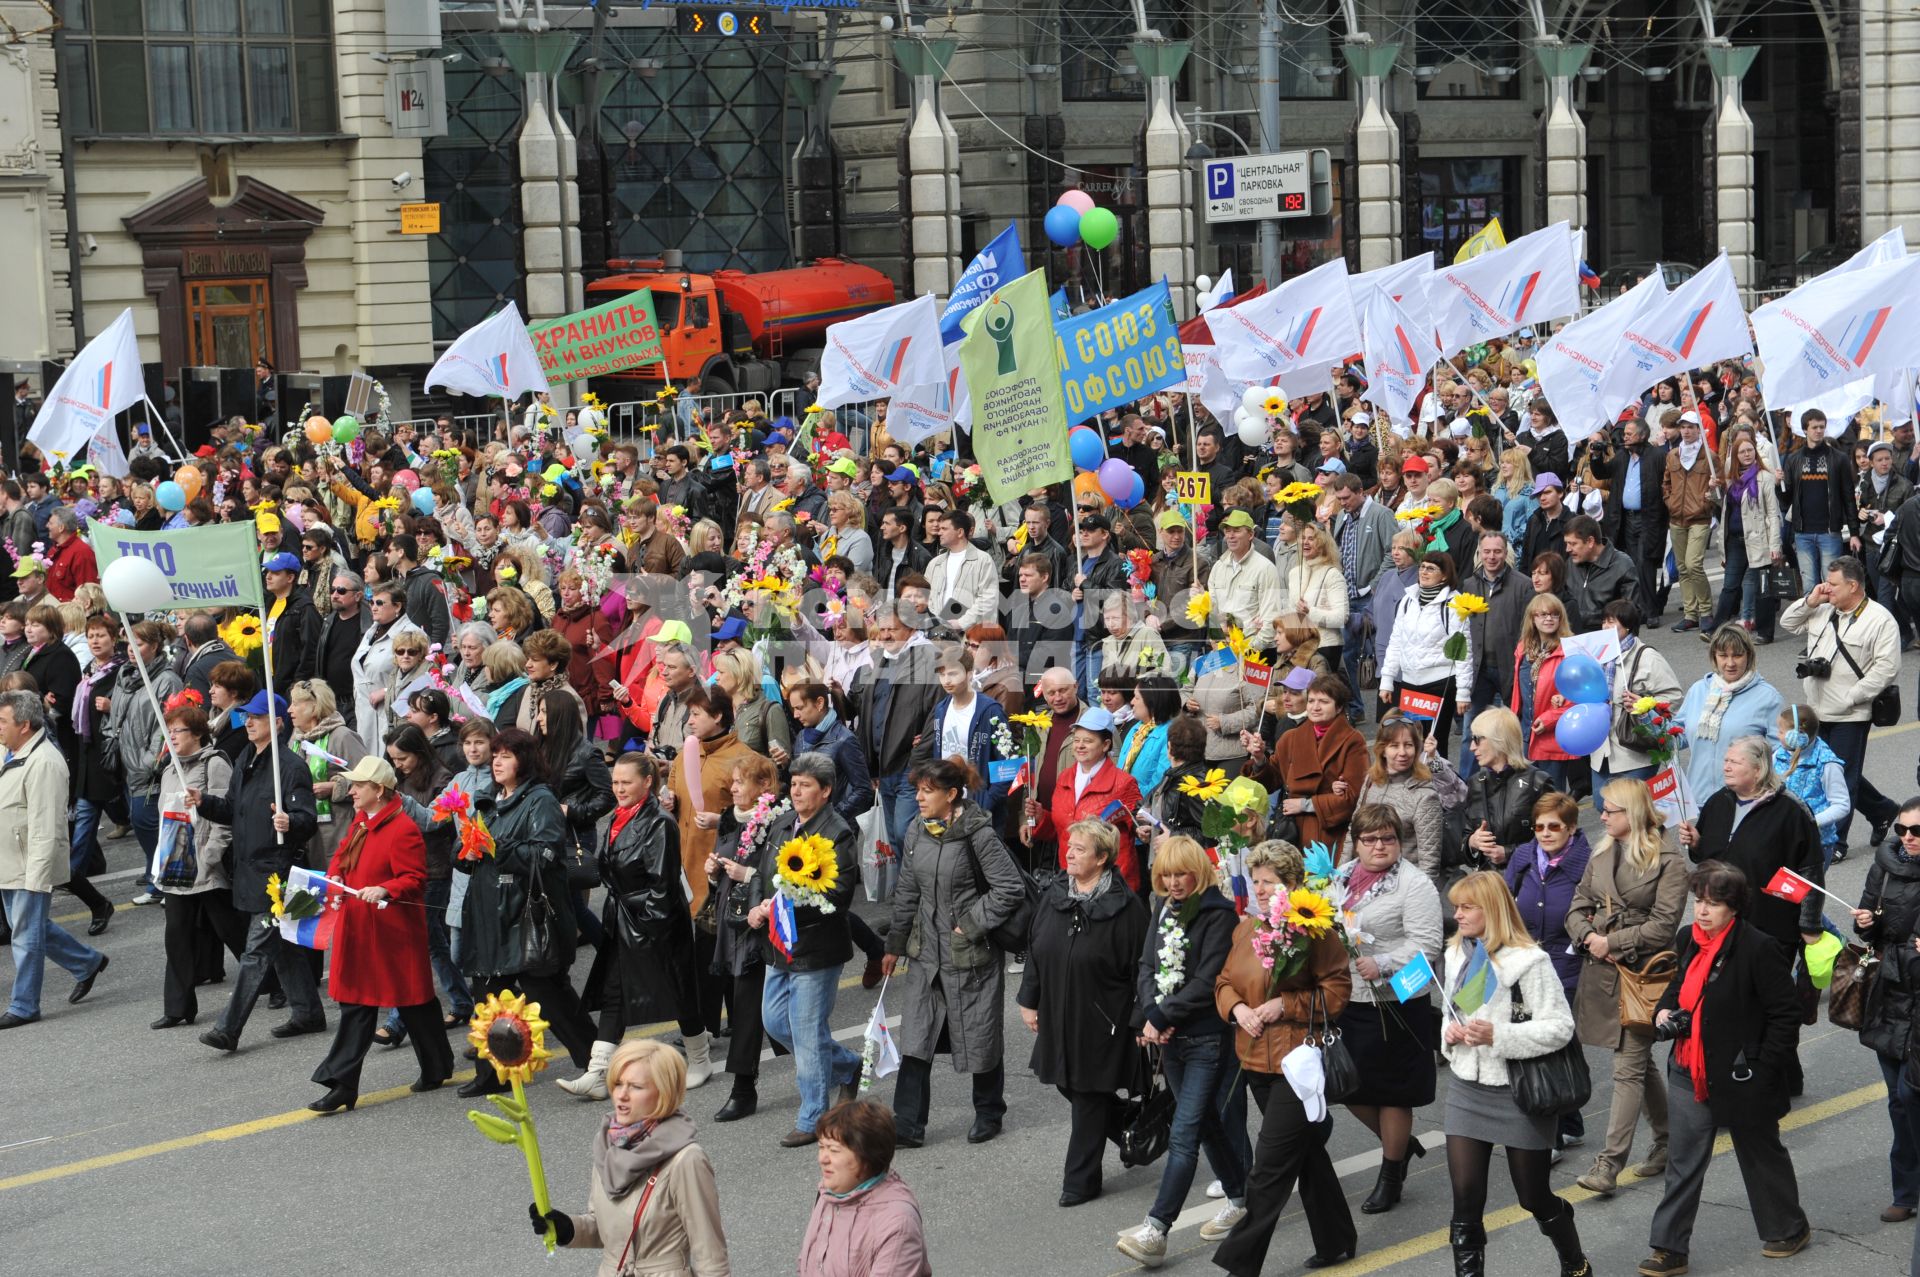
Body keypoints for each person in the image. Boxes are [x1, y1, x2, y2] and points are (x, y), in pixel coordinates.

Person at [1639, 862, 1811, 1276]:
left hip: (1741, 1075)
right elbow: (1679, 988)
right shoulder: (1688, 940)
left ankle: (1788, 1228)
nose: (1702, 911)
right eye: (1699, 901)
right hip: (1687, 1067)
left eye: (1713, 904)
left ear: (1733, 908)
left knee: (1760, 1154)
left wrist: (1764, 1068)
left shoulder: (1758, 947)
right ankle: (1669, 1249)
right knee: (1683, 1162)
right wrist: (1665, 1010)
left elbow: (1786, 1014)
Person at [1209, 841, 1356, 1274]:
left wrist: (1282, 1006)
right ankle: (1337, 1239)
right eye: (1255, 881)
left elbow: (1337, 990)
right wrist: (1236, 1008)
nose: (1259, 889)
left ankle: (1239, 1263)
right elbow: (1223, 980)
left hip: (1298, 1064)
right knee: (1306, 1154)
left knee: (1269, 1170)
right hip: (1254, 1061)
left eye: (1269, 882)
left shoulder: (1316, 930)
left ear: (1292, 885)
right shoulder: (1247, 928)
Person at [1440, 871, 1591, 1277]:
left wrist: (1498, 1035)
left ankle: (1575, 1264)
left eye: (1466, 907)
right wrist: (1451, 1033)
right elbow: (1450, 1012)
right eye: (1456, 906)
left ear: (1492, 909)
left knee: (1534, 1197)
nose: (1457, 915)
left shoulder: (1531, 961)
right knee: (1466, 1199)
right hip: (1466, 1089)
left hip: (1518, 1093)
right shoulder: (1457, 954)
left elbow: (1560, 1028)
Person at [1114, 836, 1246, 1266]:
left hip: (1207, 1040)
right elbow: (1147, 965)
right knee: (1205, 1124)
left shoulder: (1218, 915)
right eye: (1165, 875)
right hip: (1172, 1041)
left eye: (1180, 873)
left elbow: (1208, 982)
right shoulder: (1163, 908)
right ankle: (1241, 1197)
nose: (1172, 882)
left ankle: (1156, 1230)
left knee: (1186, 1132)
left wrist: (1162, 1015)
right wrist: (1153, 1013)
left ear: (1199, 872)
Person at [882, 755, 1025, 1148]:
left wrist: (972, 923)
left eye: (927, 791)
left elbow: (1009, 888)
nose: (919, 798)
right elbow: (908, 889)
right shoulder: (917, 829)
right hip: (927, 952)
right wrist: (894, 944)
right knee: (916, 1035)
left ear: (952, 794)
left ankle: (989, 1111)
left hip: (970, 954)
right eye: (918, 790)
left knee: (979, 1034)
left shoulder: (978, 832)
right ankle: (908, 1124)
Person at [307, 756, 456, 1111]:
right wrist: (338, 878)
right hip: (361, 927)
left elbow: (414, 878)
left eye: (358, 785)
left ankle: (430, 1068)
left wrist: (386, 888)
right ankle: (349, 1083)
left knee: (407, 1001)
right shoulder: (362, 820)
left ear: (379, 790)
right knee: (372, 1003)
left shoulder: (403, 828)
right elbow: (341, 859)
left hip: (390, 933)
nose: (351, 790)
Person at [561, 753, 709, 1102]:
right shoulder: (618, 817)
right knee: (615, 993)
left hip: (656, 921)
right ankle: (598, 1071)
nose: (619, 788)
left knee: (678, 990)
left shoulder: (659, 822)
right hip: (622, 917)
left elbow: (664, 883)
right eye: (615, 782)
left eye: (626, 782)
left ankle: (699, 1058)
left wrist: (649, 926)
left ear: (647, 782)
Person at [457, 728, 597, 1095]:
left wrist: (494, 847)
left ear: (525, 760)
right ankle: (491, 1074)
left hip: (525, 914)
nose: (497, 761)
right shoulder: (488, 799)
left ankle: (597, 1060)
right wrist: (468, 853)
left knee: (548, 995)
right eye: (495, 755)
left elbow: (545, 855)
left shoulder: (541, 800)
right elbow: (478, 855)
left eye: (506, 755)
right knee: (487, 996)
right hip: (489, 913)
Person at [1567, 778, 1690, 1196]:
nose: (1601, 816)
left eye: (1609, 810)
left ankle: (1609, 1164)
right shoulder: (1604, 850)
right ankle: (1669, 1139)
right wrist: (1587, 936)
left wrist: (1613, 941)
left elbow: (1664, 925)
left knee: (1627, 1068)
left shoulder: (1670, 860)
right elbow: (1578, 903)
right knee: (1638, 1063)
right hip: (1604, 970)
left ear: (1631, 814)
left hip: (1643, 976)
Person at [1018, 819, 1149, 1206]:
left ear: (1103, 858)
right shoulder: (1057, 892)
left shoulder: (1127, 909)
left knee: (1089, 1094)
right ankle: (1131, 1124)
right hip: (1058, 1010)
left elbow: (1143, 969)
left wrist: (1142, 1018)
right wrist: (1029, 998)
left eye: (1079, 848)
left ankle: (1080, 1181)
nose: (1069, 853)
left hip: (1103, 1019)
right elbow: (1036, 947)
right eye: (1068, 846)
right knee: (1066, 1082)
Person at [192, 691, 326, 1051]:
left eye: (257, 717)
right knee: (282, 947)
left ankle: (228, 1028)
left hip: (277, 873)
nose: (247, 722)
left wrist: (290, 820)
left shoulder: (290, 767)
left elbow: (307, 819)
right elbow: (232, 809)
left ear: (277, 723)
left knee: (255, 952)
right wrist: (204, 802)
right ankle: (308, 1013)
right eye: (246, 717)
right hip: (250, 868)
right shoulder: (245, 758)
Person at [744, 751, 864, 1147]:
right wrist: (757, 906)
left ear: (826, 791)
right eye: (793, 783)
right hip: (778, 943)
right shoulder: (781, 824)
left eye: (806, 785)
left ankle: (814, 1114)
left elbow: (838, 893)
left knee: (808, 1032)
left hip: (815, 946)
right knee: (776, 1023)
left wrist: (781, 906)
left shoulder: (837, 832)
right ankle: (846, 1066)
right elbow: (764, 874)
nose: (796, 791)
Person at [533, 1038, 731, 1274]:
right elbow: (607, 1229)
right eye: (617, 1083)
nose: (621, 1095)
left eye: (636, 1087)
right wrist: (568, 1228)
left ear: (663, 1093)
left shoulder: (687, 1160)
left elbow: (710, 1253)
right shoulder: (608, 1144)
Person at [1332, 804, 1444, 1214]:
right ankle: (1401, 1143)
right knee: (1345, 1085)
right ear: (1356, 843)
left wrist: (1383, 963)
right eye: (1370, 839)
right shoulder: (1339, 878)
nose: (1380, 846)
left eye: (1388, 838)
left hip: (1398, 999)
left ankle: (1391, 1173)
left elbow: (1428, 946)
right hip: (1350, 998)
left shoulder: (1414, 885)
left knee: (1394, 1093)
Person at [0, 691, 106, 1028]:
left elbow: (46, 828)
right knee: (29, 927)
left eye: (3, 721)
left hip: (29, 864)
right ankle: (87, 963)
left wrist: (37, 879)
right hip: (9, 861)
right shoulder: (10, 750)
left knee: (26, 936)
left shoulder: (44, 762)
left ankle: (24, 1005)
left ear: (25, 725)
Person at [1780, 557, 1901, 852]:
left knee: (1842, 776)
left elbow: (1886, 668)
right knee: (1828, 770)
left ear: (1853, 586)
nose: (1827, 589)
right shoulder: (1822, 609)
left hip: (1851, 713)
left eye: (1833, 584)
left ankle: (1836, 843)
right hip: (1817, 709)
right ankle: (1882, 810)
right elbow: (1787, 623)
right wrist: (1811, 600)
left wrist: (1852, 696)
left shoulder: (1880, 619)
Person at [1501, 789, 1591, 1156]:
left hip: (1565, 963)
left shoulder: (1586, 861)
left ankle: (1550, 1138)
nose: (1545, 833)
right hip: (1525, 963)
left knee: (1551, 1044)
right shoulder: (1524, 856)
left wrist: (1579, 941)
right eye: (1539, 826)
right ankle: (1570, 1123)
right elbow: (1505, 897)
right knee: (1546, 1043)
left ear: (1571, 827)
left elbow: (1598, 907)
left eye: (1554, 826)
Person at [1680, 737, 1826, 956]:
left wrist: (1809, 925)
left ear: (1758, 770)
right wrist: (1697, 843)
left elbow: (1810, 871)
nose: (1726, 767)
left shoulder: (1790, 810)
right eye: (1726, 760)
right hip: (1719, 925)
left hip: (1769, 927)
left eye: (1736, 763)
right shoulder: (1717, 802)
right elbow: (1708, 858)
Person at [151, 704, 248, 1029]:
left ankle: (272, 981)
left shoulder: (215, 763)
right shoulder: (169, 769)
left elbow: (225, 814)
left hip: (205, 860)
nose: (171, 737)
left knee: (229, 929)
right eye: (169, 731)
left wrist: (212, 853)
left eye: (177, 731)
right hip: (176, 863)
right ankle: (178, 1006)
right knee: (176, 933)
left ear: (196, 733)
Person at [1850, 797, 1920, 1225]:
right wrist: (1865, 923)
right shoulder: (1887, 864)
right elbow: (1872, 914)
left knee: (1913, 1095)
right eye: (1901, 830)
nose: (1907, 838)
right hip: (1889, 994)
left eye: (1916, 831)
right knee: (1898, 1101)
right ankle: (1906, 1190)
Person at [703, 754, 780, 1122]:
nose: (733, 788)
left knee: (752, 1007)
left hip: (761, 923)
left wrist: (747, 874)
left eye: (740, 781)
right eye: (732, 781)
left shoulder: (777, 821)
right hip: (731, 920)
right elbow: (722, 863)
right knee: (771, 1013)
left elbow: (779, 875)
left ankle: (742, 1089)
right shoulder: (731, 818)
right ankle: (835, 1065)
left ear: (764, 787)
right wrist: (714, 873)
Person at [798, 1099, 932, 1277]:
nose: (823, 1158)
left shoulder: (897, 1222)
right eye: (822, 1147)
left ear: (868, 1156)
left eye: (834, 1150)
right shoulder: (830, 1192)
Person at [1023, 706, 1143, 892]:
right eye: (1076, 740)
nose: (1079, 745)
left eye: (1088, 741)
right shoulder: (1064, 778)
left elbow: (1139, 828)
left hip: (1110, 884)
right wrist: (1041, 817)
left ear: (1105, 745)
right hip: (1071, 878)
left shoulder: (1123, 783)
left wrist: (1145, 830)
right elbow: (1061, 830)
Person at [1674, 624, 1783, 810]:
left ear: (1749, 656)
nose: (1730, 663)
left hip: (1746, 803)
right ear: (1714, 657)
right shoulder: (1698, 690)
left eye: (1737, 655)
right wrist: (1646, 716)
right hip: (1699, 800)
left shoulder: (1768, 697)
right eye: (1723, 655)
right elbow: (1676, 738)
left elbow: (1780, 753)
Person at [1354, 715, 1464, 889]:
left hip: (1403, 887)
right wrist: (1341, 877)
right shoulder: (1371, 781)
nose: (1402, 752)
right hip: (1367, 882)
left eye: (1408, 745)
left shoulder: (1425, 795)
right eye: (1394, 746)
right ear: (1382, 750)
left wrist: (1419, 901)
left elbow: (1429, 861)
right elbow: (1353, 832)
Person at [1378, 550, 1472, 753]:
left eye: (1431, 568)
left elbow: (1464, 651)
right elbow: (1396, 642)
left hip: (1439, 684)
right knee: (1412, 742)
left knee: (1435, 744)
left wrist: (1463, 692)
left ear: (1445, 575)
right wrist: (1387, 680)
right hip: (1411, 683)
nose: (1424, 571)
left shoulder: (1455, 604)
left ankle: (1440, 784)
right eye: (1422, 566)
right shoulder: (1407, 600)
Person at [1593, 600, 1682, 785]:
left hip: (1634, 751)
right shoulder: (1597, 656)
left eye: (1612, 621)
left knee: (1631, 810)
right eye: (1604, 621)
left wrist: (1643, 703)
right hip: (1601, 751)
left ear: (1627, 626)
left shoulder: (1647, 657)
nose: (1606, 626)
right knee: (1603, 805)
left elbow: (1673, 697)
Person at [1707, 433, 1784, 643]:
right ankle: (1715, 630)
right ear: (1736, 456)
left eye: (1750, 450)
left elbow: (1773, 514)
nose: (1747, 454)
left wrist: (1775, 545)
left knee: (1762, 588)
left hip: (1759, 541)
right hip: (1734, 542)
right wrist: (1714, 489)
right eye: (1742, 451)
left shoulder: (1765, 477)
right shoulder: (1731, 480)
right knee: (1730, 586)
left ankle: (1766, 633)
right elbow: (1720, 505)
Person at [1509, 593, 1577, 787]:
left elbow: (1578, 696)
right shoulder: (1523, 649)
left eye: (1554, 614)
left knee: (1552, 798)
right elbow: (1519, 692)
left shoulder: (1570, 650)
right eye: (1542, 614)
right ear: (1532, 618)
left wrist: (1549, 719)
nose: (1548, 619)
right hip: (1524, 734)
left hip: (1552, 735)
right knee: (1525, 797)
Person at [1771, 703, 1851, 865]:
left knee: (1808, 890)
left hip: (1816, 844)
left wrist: (1810, 822)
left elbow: (1842, 805)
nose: (1777, 736)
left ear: (1796, 736)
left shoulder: (1826, 763)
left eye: (1781, 732)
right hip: (1783, 841)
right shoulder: (1778, 755)